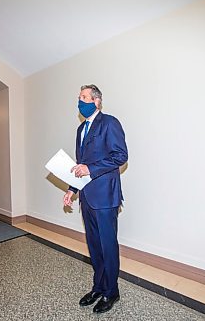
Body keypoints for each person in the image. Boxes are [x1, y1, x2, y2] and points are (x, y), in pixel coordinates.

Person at [63, 84, 128, 314]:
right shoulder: (81, 129)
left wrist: (90, 168)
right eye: (78, 97)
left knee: (108, 246)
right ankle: (98, 287)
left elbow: (121, 156)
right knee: (94, 246)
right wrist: (72, 190)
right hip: (87, 198)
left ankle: (112, 292)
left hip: (105, 197)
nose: (80, 102)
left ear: (97, 101)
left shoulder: (109, 123)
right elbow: (80, 165)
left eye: (84, 97)